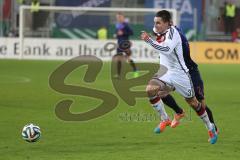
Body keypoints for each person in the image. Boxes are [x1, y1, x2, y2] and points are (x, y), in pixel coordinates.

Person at [140, 10, 218, 144]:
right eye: (155, 22)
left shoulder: (174, 33)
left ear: (167, 23)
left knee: (194, 103)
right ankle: (165, 118)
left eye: (158, 23)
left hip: (180, 74)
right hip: (164, 71)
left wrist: (149, 40)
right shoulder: (157, 30)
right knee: (150, 89)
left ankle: (210, 127)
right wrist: (152, 36)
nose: (155, 25)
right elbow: (157, 35)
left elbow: (167, 49)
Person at [154, 26, 219, 137]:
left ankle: (213, 129)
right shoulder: (165, 41)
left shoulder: (177, 38)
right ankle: (179, 112)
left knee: (199, 103)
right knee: (160, 92)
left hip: (191, 73)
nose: (158, 35)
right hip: (175, 74)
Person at [113, 12, 138, 79]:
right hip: (119, 44)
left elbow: (131, 32)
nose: (118, 19)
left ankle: (135, 70)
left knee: (128, 58)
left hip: (125, 44)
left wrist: (123, 33)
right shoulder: (118, 25)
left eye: (120, 17)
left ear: (123, 18)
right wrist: (116, 34)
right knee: (119, 59)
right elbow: (117, 33)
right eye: (117, 17)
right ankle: (118, 75)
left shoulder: (125, 25)